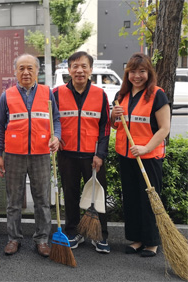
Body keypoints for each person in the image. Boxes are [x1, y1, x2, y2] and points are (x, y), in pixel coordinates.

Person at [0, 53, 60, 257]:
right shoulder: (7, 95)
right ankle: (14, 239)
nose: (25, 72)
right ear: (15, 71)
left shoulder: (47, 93)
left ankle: (42, 239)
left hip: (41, 154)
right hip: (14, 155)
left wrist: (56, 136)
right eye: (21, 68)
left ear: (37, 71)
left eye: (30, 68)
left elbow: (56, 120)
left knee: (42, 200)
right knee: (13, 200)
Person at [111, 53, 170, 257]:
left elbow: (164, 128)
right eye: (133, 71)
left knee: (149, 200)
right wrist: (113, 116)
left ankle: (151, 242)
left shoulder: (157, 94)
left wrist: (145, 148)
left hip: (148, 157)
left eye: (142, 71)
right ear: (127, 73)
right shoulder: (122, 96)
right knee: (132, 199)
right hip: (126, 156)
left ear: (149, 73)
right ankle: (136, 239)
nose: (137, 76)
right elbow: (116, 125)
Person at [53, 51, 111, 253]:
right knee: (70, 194)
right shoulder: (57, 94)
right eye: (75, 66)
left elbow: (105, 126)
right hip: (67, 154)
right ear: (68, 70)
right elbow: (51, 121)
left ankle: (100, 234)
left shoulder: (100, 94)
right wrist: (55, 137)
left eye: (84, 66)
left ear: (90, 70)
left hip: (92, 155)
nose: (79, 70)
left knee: (97, 194)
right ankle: (72, 232)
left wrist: (101, 154)